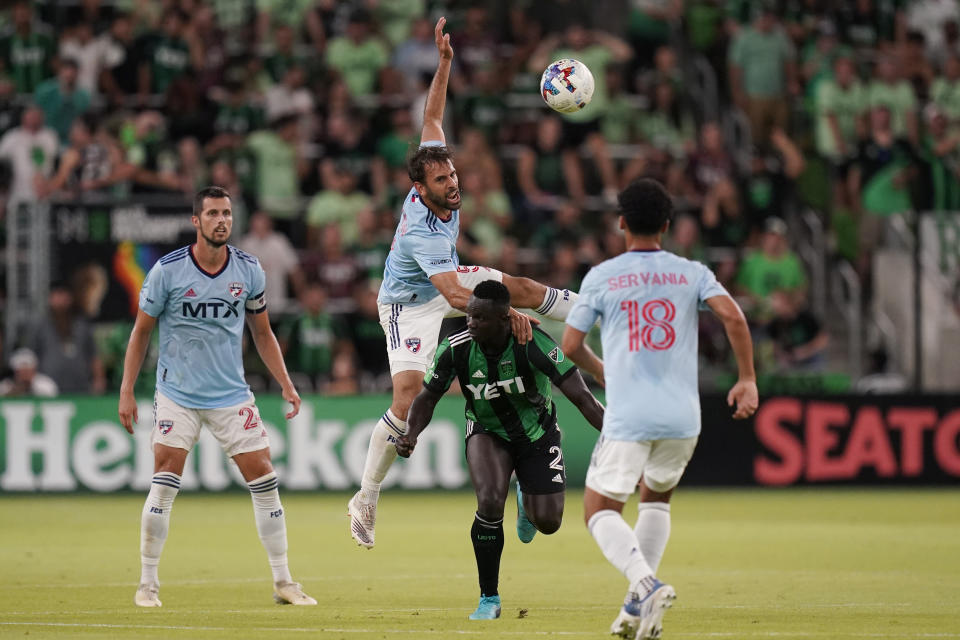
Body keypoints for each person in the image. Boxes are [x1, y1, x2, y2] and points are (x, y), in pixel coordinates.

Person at [348, 18, 582, 550]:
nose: (453, 185)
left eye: (452, 175)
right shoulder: (420, 232)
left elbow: (432, 114)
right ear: (419, 188)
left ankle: (589, 309)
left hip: (448, 280)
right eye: (442, 182)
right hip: (411, 303)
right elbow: (456, 299)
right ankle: (366, 495)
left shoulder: (435, 162)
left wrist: (446, 63)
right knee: (406, 398)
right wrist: (502, 317)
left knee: (518, 285)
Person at [561, 178, 759, 640]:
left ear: (621, 223)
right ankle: (635, 605)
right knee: (656, 498)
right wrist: (747, 378)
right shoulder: (692, 272)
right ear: (667, 226)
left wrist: (601, 369)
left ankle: (643, 583)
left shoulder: (603, 276)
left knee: (598, 510)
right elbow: (732, 315)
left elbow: (571, 345)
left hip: (631, 415)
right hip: (683, 418)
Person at [117, 186, 315, 608]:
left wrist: (285, 382)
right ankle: (147, 583)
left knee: (263, 476)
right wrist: (127, 390)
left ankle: (284, 581)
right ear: (196, 221)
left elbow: (262, 332)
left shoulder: (248, 269)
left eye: (226, 213)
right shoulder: (167, 272)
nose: (221, 220)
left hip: (230, 394)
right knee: (165, 478)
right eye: (212, 214)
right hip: (177, 393)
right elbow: (141, 332)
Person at [395, 280, 605, 620]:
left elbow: (582, 397)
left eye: (480, 318)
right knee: (490, 502)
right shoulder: (456, 347)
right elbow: (427, 397)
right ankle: (488, 598)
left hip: (538, 434)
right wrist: (411, 433)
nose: (470, 323)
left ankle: (525, 495)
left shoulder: (534, 343)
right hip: (486, 431)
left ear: (504, 320)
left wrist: (618, 439)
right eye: (469, 315)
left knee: (548, 522)